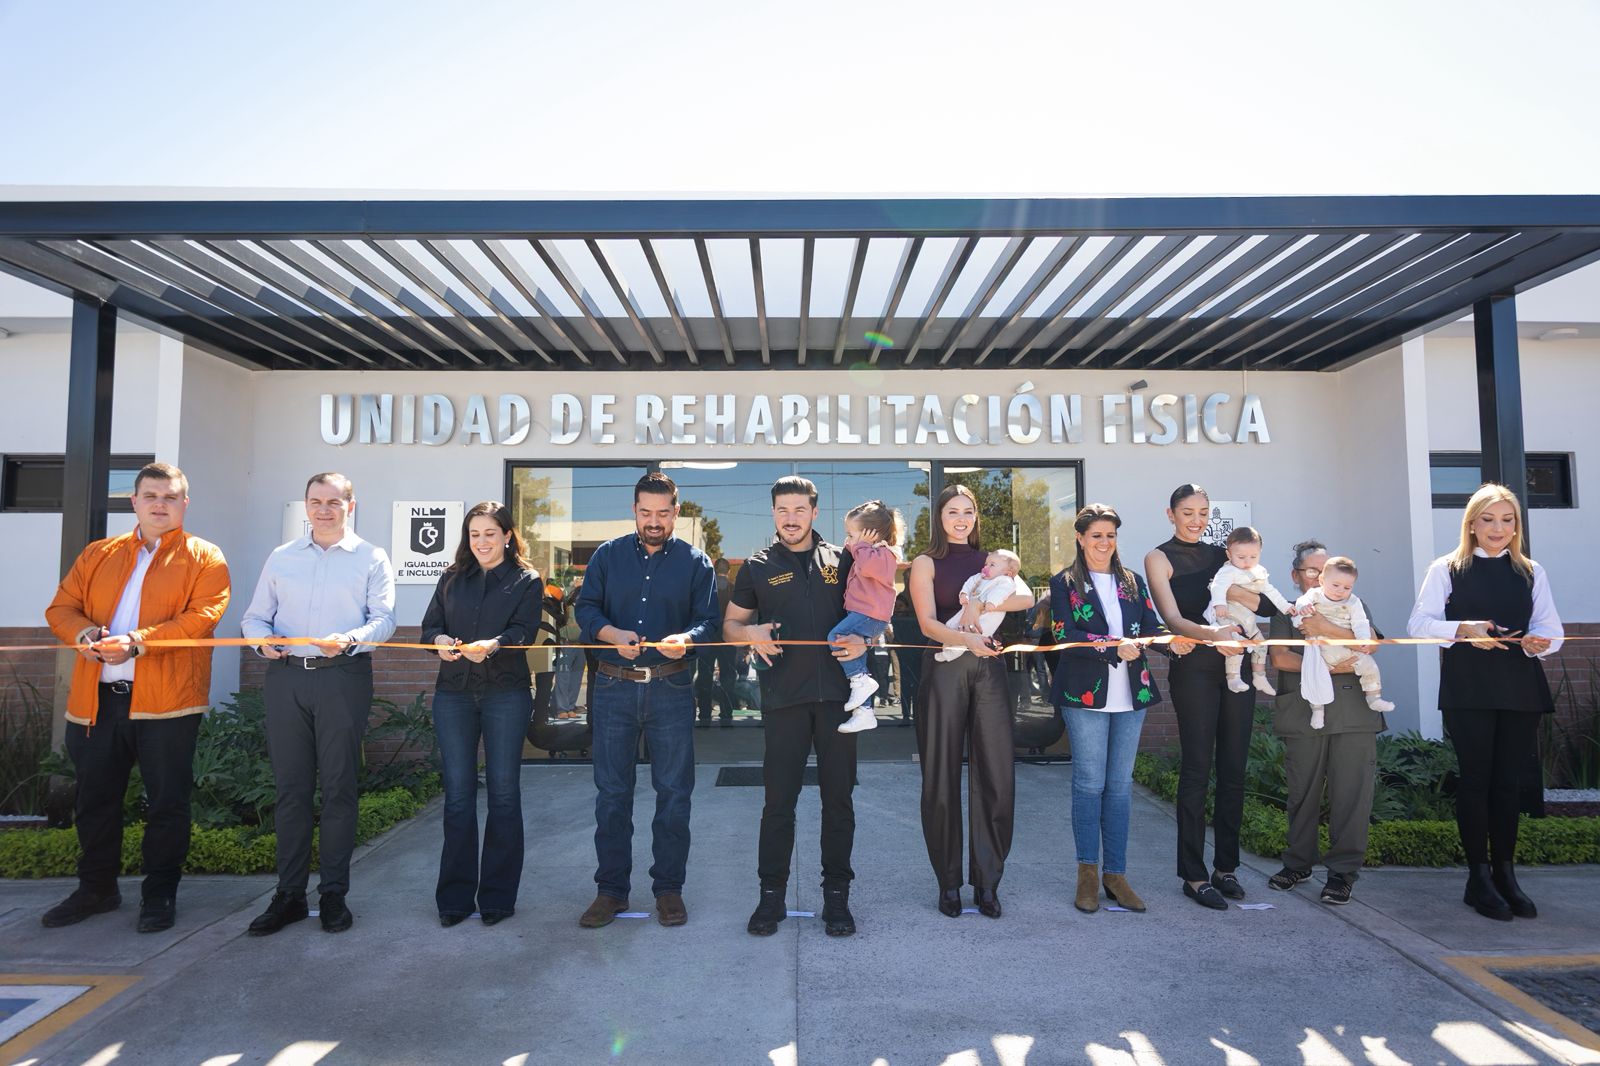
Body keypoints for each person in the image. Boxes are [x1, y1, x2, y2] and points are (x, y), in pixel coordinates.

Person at [42, 463, 231, 934]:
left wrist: (136, 642)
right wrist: (86, 634)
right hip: (96, 701)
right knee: (94, 801)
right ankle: (96, 890)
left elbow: (202, 618)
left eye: (170, 497)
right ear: (135, 501)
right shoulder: (98, 553)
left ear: (184, 503)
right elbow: (61, 608)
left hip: (168, 704)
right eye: (151, 496)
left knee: (167, 803)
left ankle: (160, 894)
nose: (159, 504)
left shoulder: (205, 557)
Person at [240, 472, 396, 936]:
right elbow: (254, 617)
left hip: (342, 678)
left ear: (351, 506)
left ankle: (333, 895)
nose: (323, 510)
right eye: (315, 502)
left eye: (333, 502)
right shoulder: (281, 556)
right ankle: (288, 896)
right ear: (306, 506)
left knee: (338, 788)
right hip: (287, 679)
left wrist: (349, 639)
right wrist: (261, 641)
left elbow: (384, 619)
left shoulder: (371, 557)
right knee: (290, 790)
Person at [1408, 483, 1563, 921]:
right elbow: (1419, 624)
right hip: (1469, 687)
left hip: (1520, 686)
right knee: (1476, 779)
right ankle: (1478, 878)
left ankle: (1505, 875)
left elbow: (1551, 629)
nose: (1498, 528)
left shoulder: (1531, 570)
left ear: (1516, 526)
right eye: (1489, 519)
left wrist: (1539, 642)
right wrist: (1462, 628)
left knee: (1508, 783)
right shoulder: (1446, 568)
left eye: (1507, 520)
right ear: (1472, 524)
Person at [724, 476, 869, 937]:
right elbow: (731, 625)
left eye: (799, 509)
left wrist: (865, 639)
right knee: (778, 804)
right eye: (783, 509)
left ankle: (837, 898)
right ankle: (771, 898)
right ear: (773, 513)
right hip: (784, 700)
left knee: (838, 803)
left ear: (814, 512)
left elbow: (873, 613)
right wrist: (750, 633)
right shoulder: (756, 566)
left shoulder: (843, 560)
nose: (791, 518)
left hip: (838, 702)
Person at [573, 472, 718, 929]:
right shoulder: (607, 556)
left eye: (663, 513)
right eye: (645, 512)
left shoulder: (696, 563)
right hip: (613, 687)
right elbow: (585, 609)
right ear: (634, 511)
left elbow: (709, 622)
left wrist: (686, 640)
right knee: (612, 794)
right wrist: (611, 634)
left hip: (670, 688)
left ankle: (669, 890)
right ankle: (610, 892)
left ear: (676, 512)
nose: (654, 521)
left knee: (674, 794)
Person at [1144, 483, 1280, 911]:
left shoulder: (1224, 555)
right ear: (1171, 514)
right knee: (1197, 768)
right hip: (1196, 668)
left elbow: (1265, 606)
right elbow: (1171, 617)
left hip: (1236, 664)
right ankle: (1194, 874)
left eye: (1203, 513)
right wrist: (1212, 634)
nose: (1196, 520)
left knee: (1234, 767)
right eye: (1188, 512)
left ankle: (1226, 868)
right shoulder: (1159, 557)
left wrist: (1237, 595)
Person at [1049, 504, 1189, 914]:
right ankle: (1087, 875)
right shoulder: (1064, 582)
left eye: (1110, 535)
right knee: (1089, 784)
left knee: (1120, 787)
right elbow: (1064, 633)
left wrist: (1170, 642)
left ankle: (1116, 875)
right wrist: (1113, 646)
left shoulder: (1132, 581)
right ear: (1080, 538)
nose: (1104, 542)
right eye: (1096, 535)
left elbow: (1150, 625)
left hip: (1131, 695)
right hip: (1085, 694)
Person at [909, 483, 1034, 919]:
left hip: (989, 670)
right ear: (939, 517)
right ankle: (948, 883)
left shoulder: (992, 562)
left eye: (968, 512)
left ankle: (987, 883)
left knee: (996, 775)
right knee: (940, 777)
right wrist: (967, 636)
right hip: (944, 670)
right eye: (952, 512)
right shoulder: (925, 562)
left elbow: (1025, 597)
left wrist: (980, 605)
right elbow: (927, 624)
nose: (961, 519)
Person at [420, 501, 542, 927]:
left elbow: (524, 632)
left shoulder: (527, 580)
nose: (482, 542)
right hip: (453, 695)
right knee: (458, 797)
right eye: (475, 535)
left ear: (507, 535)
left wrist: (493, 645)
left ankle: (497, 897)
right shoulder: (452, 577)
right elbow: (429, 627)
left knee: (504, 795)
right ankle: (454, 899)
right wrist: (438, 641)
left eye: (490, 533)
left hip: (505, 694)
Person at [1266, 539, 1386, 906]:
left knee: (1351, 795)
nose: (1321, 579)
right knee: (1302, 793)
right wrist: (1329, 666)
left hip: (1353, 712)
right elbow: (1280, 659)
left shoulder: (1354, 604)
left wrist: (1325, 627)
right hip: (1303, 710)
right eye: (1312, 572)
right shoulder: (1287, 612)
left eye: (1326, 571)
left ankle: (1342, 874)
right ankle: (1298, 864)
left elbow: (1371, 645)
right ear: (1296, 576)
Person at [1291, 556, 1396, 727]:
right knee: (1315, 678)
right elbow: (1301, 604)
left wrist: (1363, 639)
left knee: (1370, 666)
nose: (1340, 591)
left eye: (1347, 587)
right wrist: (1304, 608)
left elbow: (1361, 623)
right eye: (1335, 585)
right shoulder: (1314, 595)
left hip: (1348, 651)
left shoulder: (1354, 602)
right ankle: (1318, 711)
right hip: (1321, 651)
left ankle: (1374, 698)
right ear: (1322, 580)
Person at [830, 499, 903, 729]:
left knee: (836, 637)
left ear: (871, 535)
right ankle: (865, 712)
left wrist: (860, 546)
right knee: (855, 654)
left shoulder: (884, 555)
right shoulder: (869, 553)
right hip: (865, 614)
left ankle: (861, 680)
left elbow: (868, 567)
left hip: (870, 615)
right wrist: (857, 545)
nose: (848, 541)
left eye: (851, 535)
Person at [1207, 526, 1296, 697]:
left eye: (1253, 556)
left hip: (1248, 619)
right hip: (1229, 616)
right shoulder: (1227, 571)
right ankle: (1233, 677)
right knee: (1236, 644)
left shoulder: (1259, 571)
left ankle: (1259, 676)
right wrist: (1219, 604)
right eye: (1241, 557)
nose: (1247, 561)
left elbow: (1270, 591)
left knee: (1260, 644)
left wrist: (1285, 606)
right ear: (1229, 555)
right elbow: (1217, 587)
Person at [934, 548, 1026, 662]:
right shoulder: (979, 577)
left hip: (988, 616)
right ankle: (946, 646)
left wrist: (992, 602)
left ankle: (950, 655)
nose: (986, 567)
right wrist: (964, 594)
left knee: (974, 634)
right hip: (967, 611)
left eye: (992, 565)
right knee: (951, 625)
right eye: (986, 564)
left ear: (1007, 573)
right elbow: (969, 583)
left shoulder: (1005, 581)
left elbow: (1001, 592)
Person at [696, 558, 737, 728]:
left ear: (714, 570)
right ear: (729, 571)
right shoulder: (734, 589)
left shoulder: (707, 589)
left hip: (707, 638)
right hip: (728, 638)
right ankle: (726, 715)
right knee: (728, 676)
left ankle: (705, 715)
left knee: (705, 676)